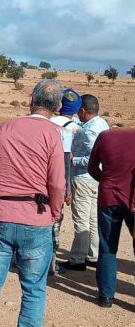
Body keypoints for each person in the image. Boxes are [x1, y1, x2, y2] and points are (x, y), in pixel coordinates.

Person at [0, 79, 65, 327]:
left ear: (31, 102)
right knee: (34, 289)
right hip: (37, 218)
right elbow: (57, 183)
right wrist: (54, 213)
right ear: (57, 107)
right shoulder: (53, 135)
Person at [60, 94, 109, 271]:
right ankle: (92, 255)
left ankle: (77, 259)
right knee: (93, 218)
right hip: (96, 179)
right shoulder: (101, 124)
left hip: (83, 178)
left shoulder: (90, 131)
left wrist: (74, 159)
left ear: (82, 110)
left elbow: (94, 159)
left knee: (81, 218)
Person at [87, 127, 135, 308]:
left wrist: (107, 181)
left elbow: (91, 167)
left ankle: (106, 297)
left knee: (107, 248)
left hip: (108, 199)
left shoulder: (104, 136)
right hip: (132, 202)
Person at [48, 89, 82, 274]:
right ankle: (51, 265)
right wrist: (67, 189)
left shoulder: (46, 121)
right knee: (55, 222)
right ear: (76, 109)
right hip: (56, 181)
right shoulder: (68, 127)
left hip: (38, 179)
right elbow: (65, 161)